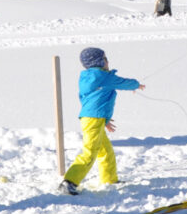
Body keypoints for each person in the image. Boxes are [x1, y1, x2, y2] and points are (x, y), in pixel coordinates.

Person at [58, 47, 144, 195]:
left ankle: (109, 179)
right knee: (90, 152)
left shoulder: (87, 77)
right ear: (98, 62)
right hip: (94, 119)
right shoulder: (104, 77)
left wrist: (104, 120)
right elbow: (123, 82)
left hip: (92, 118)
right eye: (105, 59)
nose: (107, 61)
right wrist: (136, 84)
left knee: (105, 150)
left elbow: (97, 100)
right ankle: (69, 182)